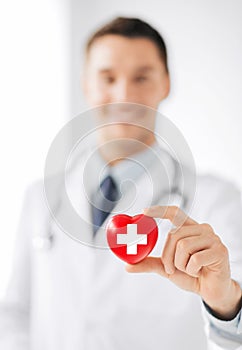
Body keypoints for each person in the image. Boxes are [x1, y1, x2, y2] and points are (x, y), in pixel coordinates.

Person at [0, 16, 242, 350]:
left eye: (142, 77)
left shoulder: (217, 200)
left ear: (166, 84)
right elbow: (14, 314)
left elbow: (235, 317)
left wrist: (226, 304)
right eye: (107, 77)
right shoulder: (41, 198)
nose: (125, 94)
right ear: (86, 84)